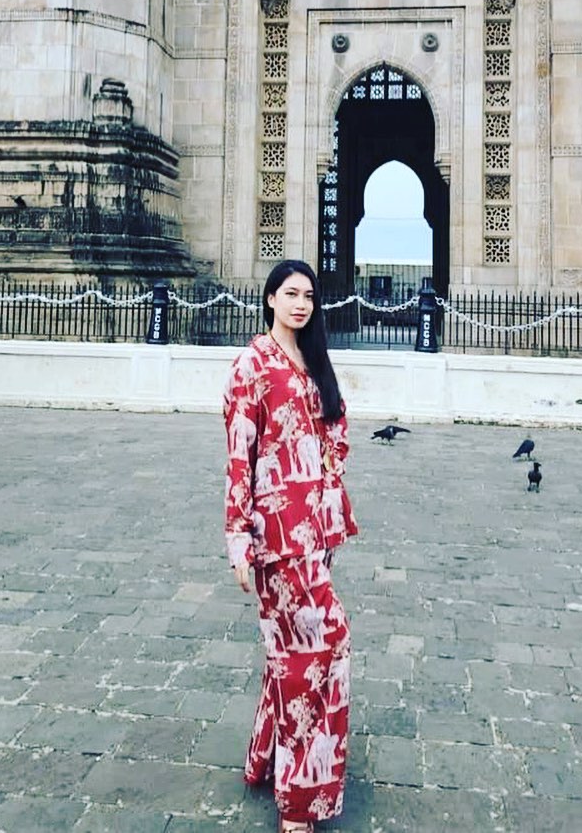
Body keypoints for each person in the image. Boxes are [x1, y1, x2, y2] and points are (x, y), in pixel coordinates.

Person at [223, 259, 358, 833]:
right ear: (270, 298)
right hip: (275, 537)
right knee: (324, 646)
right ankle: (299, 802)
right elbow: (239, 455)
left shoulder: (312, 359)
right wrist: (237, 536)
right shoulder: (252, 364)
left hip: (317, 531)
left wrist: (324, 484)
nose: (301, 304)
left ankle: (262, 760)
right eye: (291, 293)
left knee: (289, 652)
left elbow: (337, 432)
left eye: (309, 296)